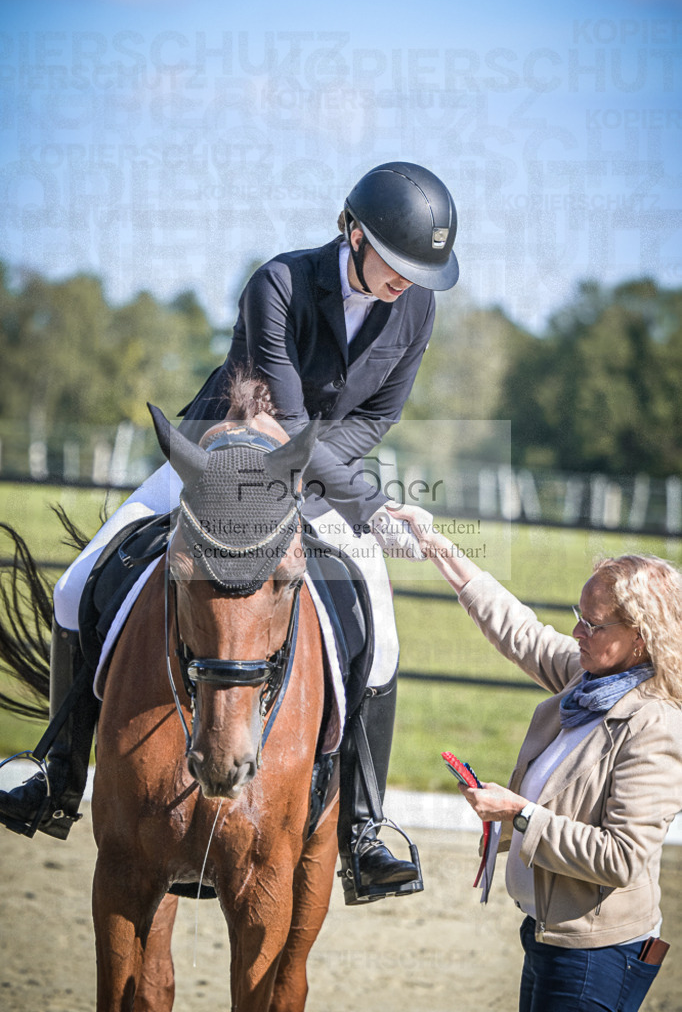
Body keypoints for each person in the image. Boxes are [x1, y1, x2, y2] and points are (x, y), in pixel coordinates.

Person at [0, 161, 459, 897]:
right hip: (218, 459)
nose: (408, 280)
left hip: (313, 477)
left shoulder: (415, 310)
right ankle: (57, 774)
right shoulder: (277, 283)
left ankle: (364, 826)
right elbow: (283, 418)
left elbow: (377, 417)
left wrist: (332, 488)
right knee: (78, 583)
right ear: (353, 232)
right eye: (398, 263)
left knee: (387, 637)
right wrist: (370, 509)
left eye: (420, 270)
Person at [399, 505, 682, 1012]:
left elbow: (618, 858)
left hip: (596, 954)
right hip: (552, 936)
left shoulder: (655, 725)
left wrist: (519, 814)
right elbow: (517, 628)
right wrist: (433, 542)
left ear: (639, 637)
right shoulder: (591, 680)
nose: (577, 633)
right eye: (578, 617)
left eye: (592, 625)